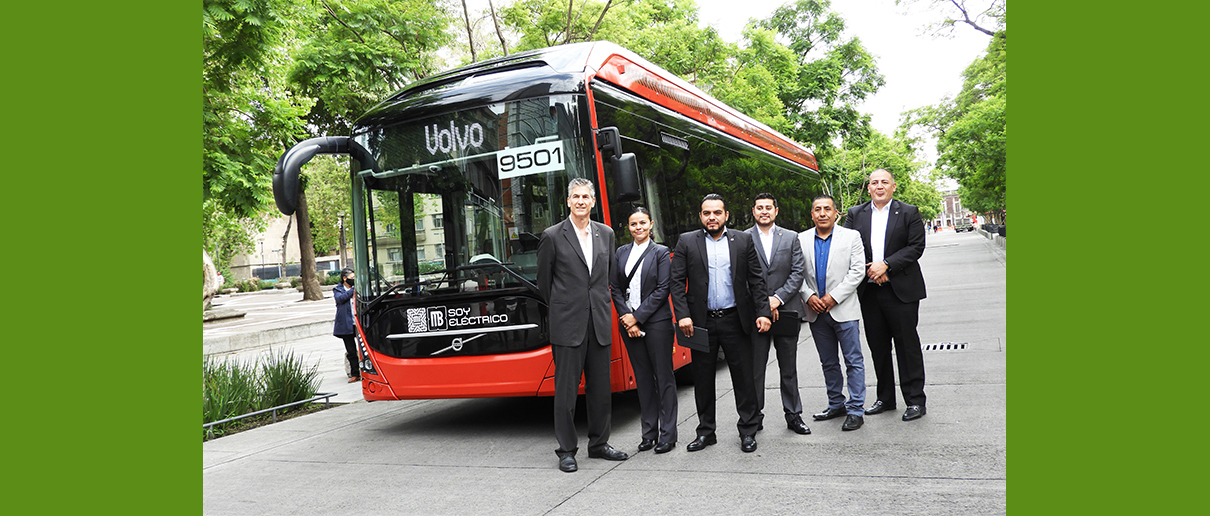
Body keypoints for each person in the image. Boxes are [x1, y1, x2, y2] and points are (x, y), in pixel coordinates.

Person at [537, 177, 628, 473]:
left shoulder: (606, 233)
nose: (580, 201)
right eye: (575, 196)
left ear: (593, 202)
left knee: (600, 389)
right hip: (568, 324)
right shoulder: (552, 236)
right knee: (566, 393)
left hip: (599, 321)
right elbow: (544, 284)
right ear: (568, 201)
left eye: (585, 197)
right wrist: (564, 308)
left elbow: (608, 278)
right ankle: (566, 450)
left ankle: (599, 444)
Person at [670, 193, 771, 453]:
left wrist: (763, 312)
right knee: (702, 380)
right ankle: (706, 432)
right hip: (700, 323)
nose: (712, 217)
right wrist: (682, 314)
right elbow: (676, 282)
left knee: (744, 378)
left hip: (735, 320)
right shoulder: (686, 241)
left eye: (717, 212)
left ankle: (748, 430)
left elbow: (756, 280)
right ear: (700, 216)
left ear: (726, 215)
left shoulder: (743, 240)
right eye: (707, 213)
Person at [844, 169, 929, 421]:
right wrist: (872, 269)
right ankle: (885, 398)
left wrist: (887, 266)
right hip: (870, 291)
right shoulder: (855, 214)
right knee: (878, 347)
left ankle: (915, 400)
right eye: (874, 182)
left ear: (893, 186)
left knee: (907, 346)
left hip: (901, 290)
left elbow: (916, 246)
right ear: (868, 188)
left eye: (884, 182)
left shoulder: (909, 212)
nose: (879, 186)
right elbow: (848, 247)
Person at [610, 207, 677, 454]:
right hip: (629, 324)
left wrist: (636, 318)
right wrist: (627, 319)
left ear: (651, 224)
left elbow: (662, 289)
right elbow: (615, 287)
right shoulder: (621, 253)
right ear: (628, 227)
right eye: (633, 224)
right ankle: (649, 434)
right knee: (643, 379)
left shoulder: (661, 252)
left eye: (642, 223)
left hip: (657, 323)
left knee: (664, 377)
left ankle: (668, 435)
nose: (638, 227)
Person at [799, 195, 867, 431]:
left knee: (853, 361)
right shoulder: (801, 239)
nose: (822, 213)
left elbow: (857, 272)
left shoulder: (851, 237)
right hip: (816, 311)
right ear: (812, 214)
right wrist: (808, 295)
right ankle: (836, 403)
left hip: (843, 309)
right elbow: (796, 272)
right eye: (817, 209)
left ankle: (856, 409)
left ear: (835, 213)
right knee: (828, 362)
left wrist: (833, 297)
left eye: (827, 209)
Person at [745, 193, 810, 435]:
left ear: (776, 211)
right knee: (755, 370)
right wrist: (764, 304)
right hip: (756, 315)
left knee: (789, 368)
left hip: (787, 311)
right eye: (759, 207)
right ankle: (754, 416)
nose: (764, 211)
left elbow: (797, 272)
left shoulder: (791, 237)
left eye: (768, 207)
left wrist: (777, 299)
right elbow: (741, 276)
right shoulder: (743, 238)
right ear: (753, 211)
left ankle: (793, 415)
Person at [332, 268, 360, 383]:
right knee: (351, 351)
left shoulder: (360, 289)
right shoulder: (338, 289)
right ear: (345, 278)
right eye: (351, 278)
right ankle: (355, 374)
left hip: (358, 323)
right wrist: (353, 289)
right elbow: (341, 299)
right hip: (346, 324)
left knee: (364, 349)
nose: (354, 280)